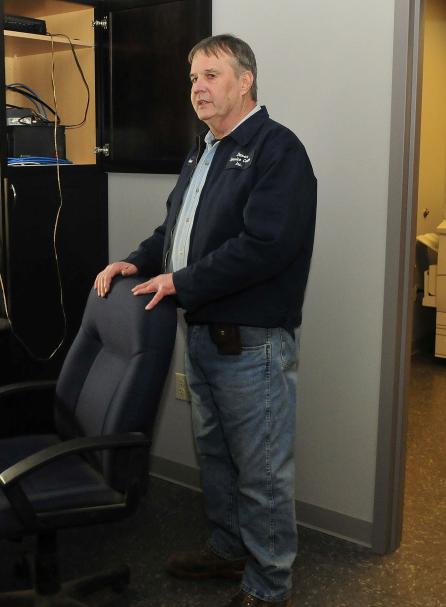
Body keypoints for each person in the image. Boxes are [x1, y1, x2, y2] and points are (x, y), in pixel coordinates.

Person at [94, 34, 316, 607]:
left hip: (253, 344)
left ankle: (269, 587)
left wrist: (181, 283)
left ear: (245, 81)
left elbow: (266, 245)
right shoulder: (203, 150)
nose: (198, 87)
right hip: (205, 339)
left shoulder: (278, 150)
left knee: (262, 472)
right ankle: (227, 550)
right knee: (216, 458)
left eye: (212, 75)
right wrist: (139, 260)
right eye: (193, 77)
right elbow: (177, 231)